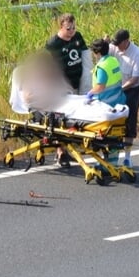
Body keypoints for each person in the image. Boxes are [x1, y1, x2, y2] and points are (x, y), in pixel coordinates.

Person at [45, 13, 92, 166]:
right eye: (68, 28)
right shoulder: (53, 43)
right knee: (62, 120)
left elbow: (85, 59)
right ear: (61, 27)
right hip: (63, 86)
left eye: (73, 27)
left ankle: (69, 150)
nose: (71, 31)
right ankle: (60, 152)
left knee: (73, 120)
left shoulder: (77, 37)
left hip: (77, 83)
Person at [109, 29, 139, 168]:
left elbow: (135, 79)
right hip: (116, 89)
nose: (117, 47)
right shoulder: (115, 48)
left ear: (126, 41)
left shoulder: (137, 55)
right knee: (113, 122)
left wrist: (121, 88)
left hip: (131, 92)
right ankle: (113, 157)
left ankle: (128, 157)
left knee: (129, 123)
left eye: (119, 44)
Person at [87, 39, 126, 107]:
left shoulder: (102, 67)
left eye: (93, 52)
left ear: (98, 53)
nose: (93, 55)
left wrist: (90, 93)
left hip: (106, 104)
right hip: (119, 101)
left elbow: (100, 87)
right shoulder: (114, 60)